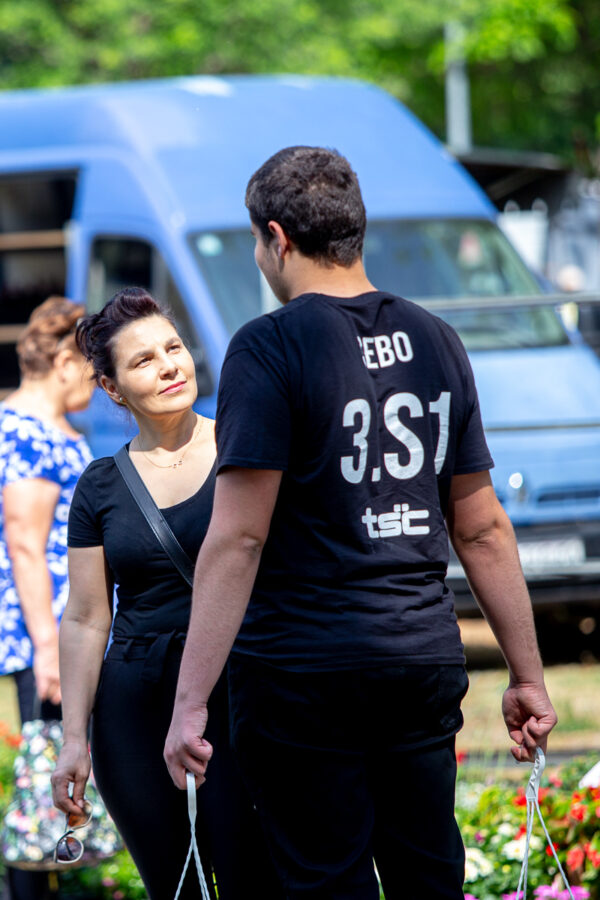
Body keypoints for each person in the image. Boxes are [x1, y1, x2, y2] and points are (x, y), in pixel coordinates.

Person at [164, 146, 558, 899]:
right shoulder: (436, 339)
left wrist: (189, 704)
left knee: (326, 881)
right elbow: (482, 529)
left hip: (302, 671)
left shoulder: (268, 346)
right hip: (419, 660)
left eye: (255, 242)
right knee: (427, 876)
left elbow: (240, 537)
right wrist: (528, 675)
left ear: (276, 238)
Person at [51, 288, 283, 900]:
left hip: (239, 695)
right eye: (144, 360)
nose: (169, 366)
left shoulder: (245, 448)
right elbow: (86, 617)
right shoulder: (100, 485)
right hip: (134, 709)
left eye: (173, 348)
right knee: (173, 888)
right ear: (112, 388)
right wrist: (73, 739)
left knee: (254, 880)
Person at [0, 296, 94, 900]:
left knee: (55, 777)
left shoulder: (43, 427)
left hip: (66, 627)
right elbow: (25, 544)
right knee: (45, 783)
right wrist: (46, 647)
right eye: (92, 368)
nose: (98, 381)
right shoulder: (28, 432)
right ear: (63, 362)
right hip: (50, 633)